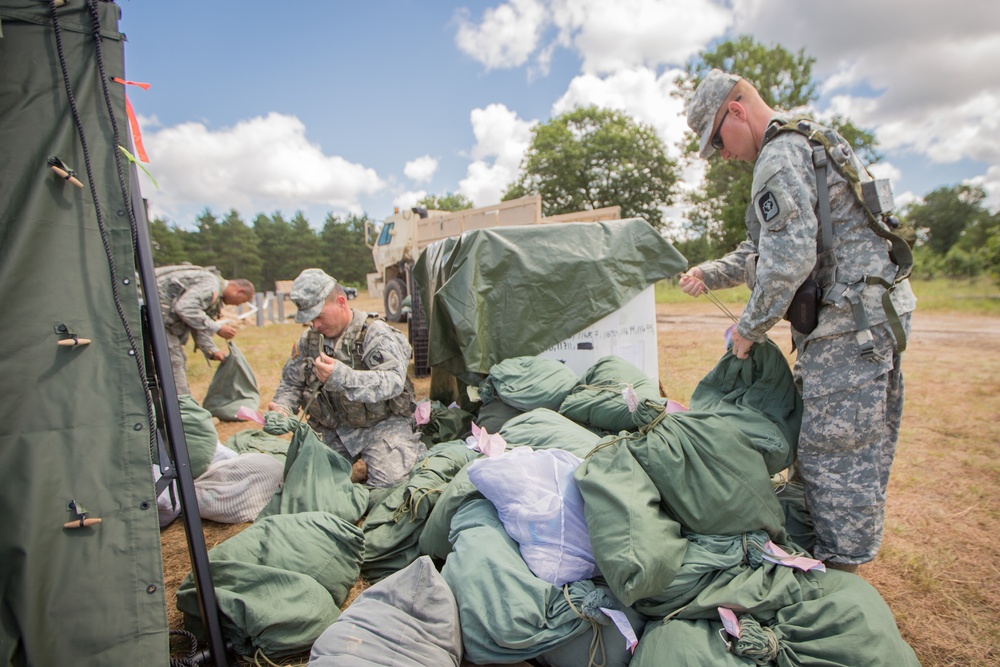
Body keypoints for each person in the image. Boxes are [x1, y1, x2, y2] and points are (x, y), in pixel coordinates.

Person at [680, 69, 917, 572]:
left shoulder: (779, 156)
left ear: (737, 111)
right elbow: (762, 248)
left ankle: (841, 578)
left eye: (718, 141)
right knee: (831, 452)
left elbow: (786, 263)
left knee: (837, 457)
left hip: (850, 331)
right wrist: (708, 272)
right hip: (860, 324)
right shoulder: (801, 143)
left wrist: (747, 332)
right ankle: (831, 557)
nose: (723, 154)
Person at [268, 268, 425, 488]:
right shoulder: (309, 342)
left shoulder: (375, 333)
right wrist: (283, 409)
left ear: (341, 302)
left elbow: (393, 382)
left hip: (380, 424)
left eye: (319, 316)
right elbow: (291, 383)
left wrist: (343, 377)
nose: (315, 326)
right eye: (310, 320)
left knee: (392, 485)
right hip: (333, 429)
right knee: (303, 486)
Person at [155, 264, 255, 396]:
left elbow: (197, 323)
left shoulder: (213, 290)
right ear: (240, 291)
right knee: (174, 364)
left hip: (159, 323)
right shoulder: (210, 285)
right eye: (241, 301)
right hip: (158, 324)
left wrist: (212, 351)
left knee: (174, 363)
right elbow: (185, 308)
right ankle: (182, 408)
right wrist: (217, 327)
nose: (237, 305)